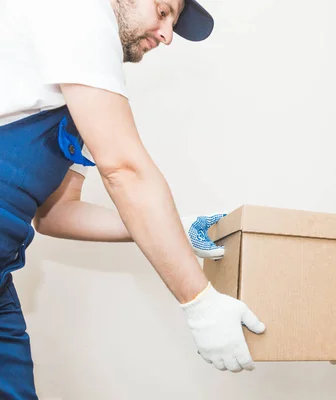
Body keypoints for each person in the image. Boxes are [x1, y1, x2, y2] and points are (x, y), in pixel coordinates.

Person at [0, 0, 264, 397]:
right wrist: (199, 300)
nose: (167, 35)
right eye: (162, 11)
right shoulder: (81, 12)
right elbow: (124, 170)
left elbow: (57, 213)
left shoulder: (79, 94)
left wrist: (177, 225)